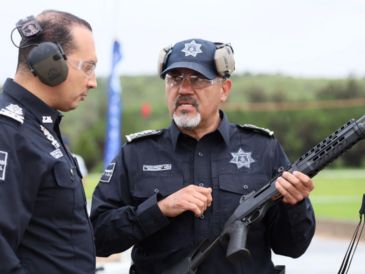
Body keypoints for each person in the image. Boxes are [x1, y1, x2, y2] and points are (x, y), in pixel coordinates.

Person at [91, 38, 316, 274]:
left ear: (224, 90)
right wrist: (159, 210)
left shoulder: (263, 149)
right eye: (175, 78)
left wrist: (295, 205)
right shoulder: (137, 153)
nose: (184, 89)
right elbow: (98, 237)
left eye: (198, 79)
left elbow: (293, 247)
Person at [0, 10, 97, 273]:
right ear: (49, 63)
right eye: (87, 67)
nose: (93, 82)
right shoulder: (8, 132)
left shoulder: (38, 126)